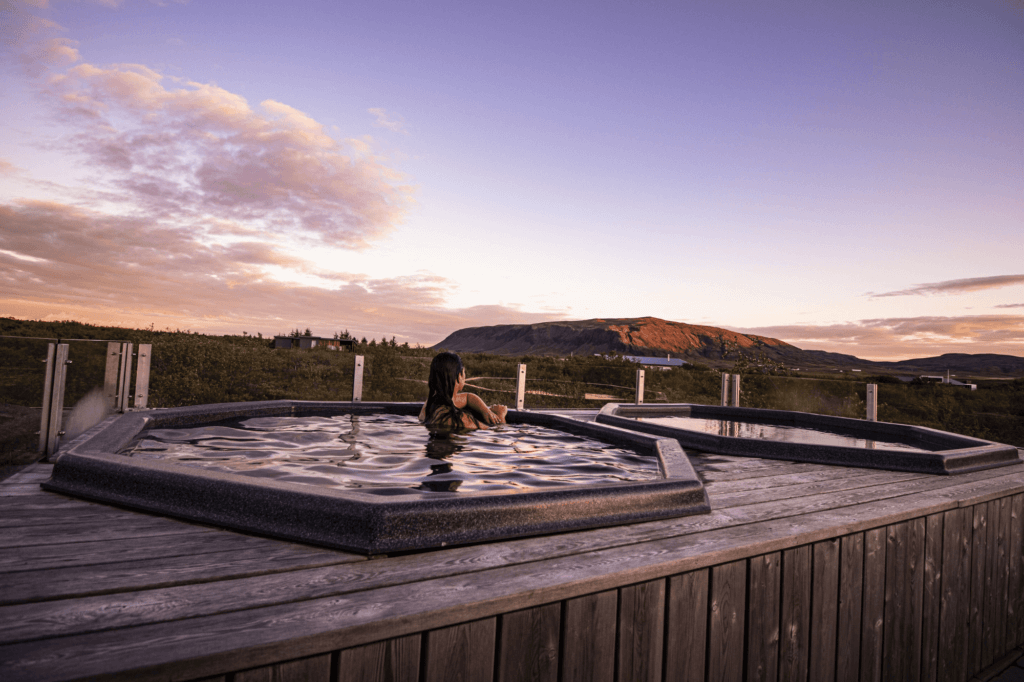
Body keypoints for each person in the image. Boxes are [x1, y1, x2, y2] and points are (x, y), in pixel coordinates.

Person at [419, 352, 508, 431]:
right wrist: (500, 417)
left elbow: (468, 397)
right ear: (459, 376)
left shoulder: (428, 408)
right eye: (464, 372)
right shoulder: (461, 419)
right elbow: (495, 434)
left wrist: (486, 411)